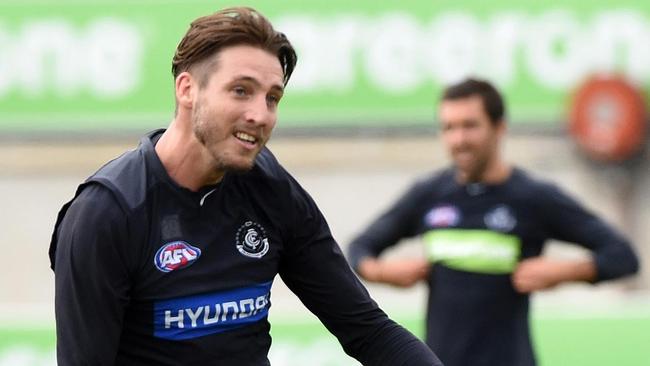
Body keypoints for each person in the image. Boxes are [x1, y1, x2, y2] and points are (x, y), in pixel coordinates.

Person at [48, 7, 443, 366]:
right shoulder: (108, 213)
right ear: (187, 89)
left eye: (273, 98)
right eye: (241, 90)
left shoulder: (271, 190)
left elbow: (368, 331)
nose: (261, 114)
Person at [347, 78, 640, 366]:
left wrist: (565, 272)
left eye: (470, 126)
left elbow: (623, 257)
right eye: (449, 128)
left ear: (499, 128)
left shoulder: (532, 197)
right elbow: (359, 248)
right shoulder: (429, 194)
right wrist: (381, 271)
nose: (458, 139)